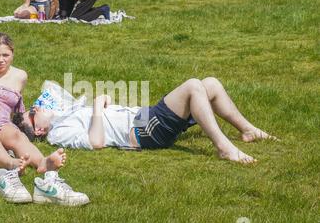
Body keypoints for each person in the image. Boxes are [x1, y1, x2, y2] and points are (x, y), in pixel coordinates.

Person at [0, 32, 89, 206]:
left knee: (15, 136)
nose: (1, 60)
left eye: (5, 55)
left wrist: (33, 123)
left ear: (13, 54)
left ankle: (43, 163)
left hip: (1, 121)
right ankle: (12, 164)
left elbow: (17, 111)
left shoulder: (20, 76)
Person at [16, 78, 277, 164]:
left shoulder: (61, 116)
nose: (36, 107)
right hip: (141, 131)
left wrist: (102, 103)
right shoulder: (58, 134)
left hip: (143, 118)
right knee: (193, 87)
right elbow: (96, 142)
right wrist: (96, 106)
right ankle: (223, 147)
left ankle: (248, 130)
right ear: (38, 129)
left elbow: (51, 87)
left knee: (209, 83)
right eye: (32, 111)